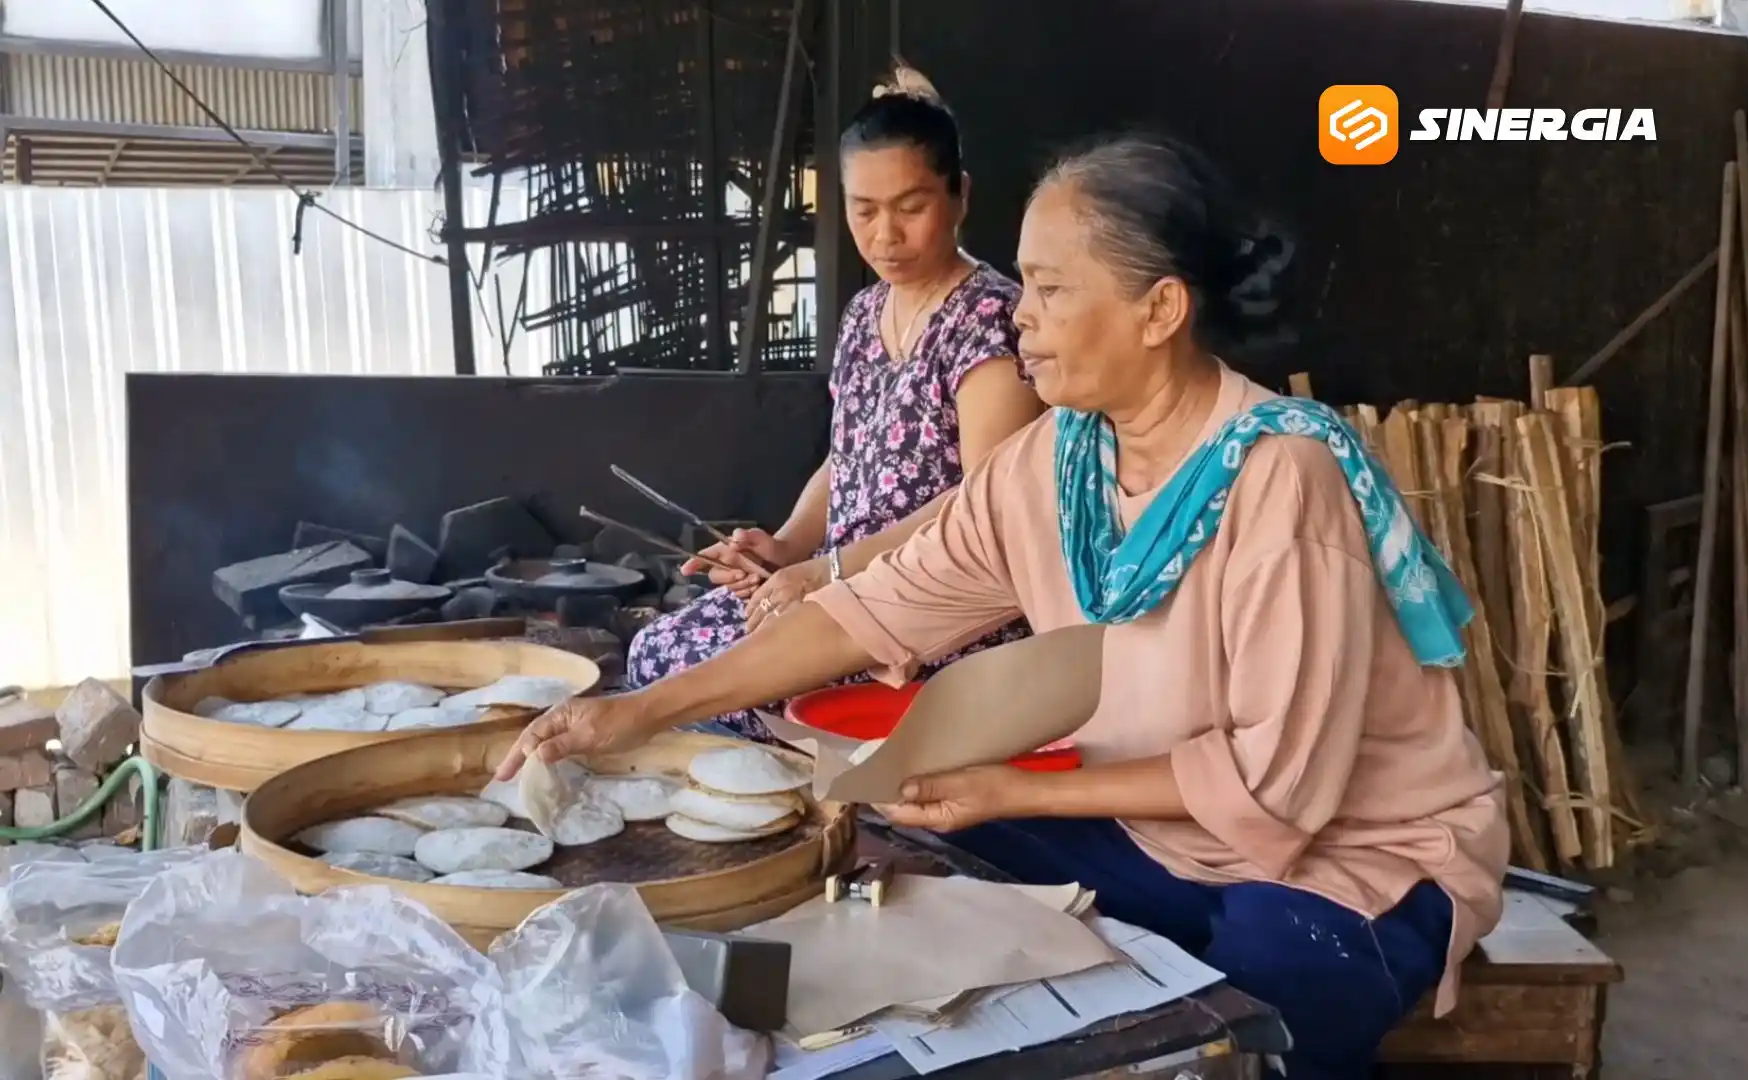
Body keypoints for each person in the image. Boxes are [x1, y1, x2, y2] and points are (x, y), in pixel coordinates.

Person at [505, 134, 1509, 1080]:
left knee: (1256, 1009)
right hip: (1155, 827)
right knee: (899, 859)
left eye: (1050, 287)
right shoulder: (1055, 462)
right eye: (1024, 282)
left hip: (1347, 854)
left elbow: (1277, 784)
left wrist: (1007, 789)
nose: (1020, 313)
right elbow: (870, 610)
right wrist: (639, 712)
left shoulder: (1281, 477)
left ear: (1159, 310)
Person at [626, 64, 1043, 742]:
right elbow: (846, 459)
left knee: (722, 688)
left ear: (960, 196)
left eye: (911, 207)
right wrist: (787, 546)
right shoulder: (863, 313)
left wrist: (830, 570)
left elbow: (984, 505)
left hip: (928, 612)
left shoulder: (992, 320)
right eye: (864, 210)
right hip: (838, 591)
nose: (886, 235)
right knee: (657, 650)